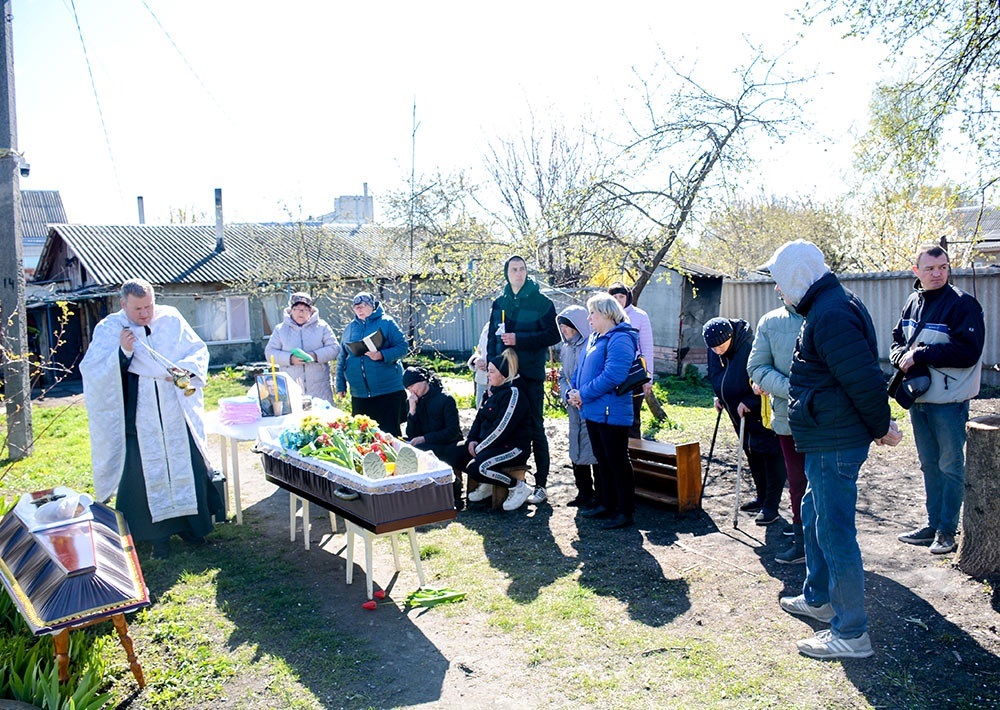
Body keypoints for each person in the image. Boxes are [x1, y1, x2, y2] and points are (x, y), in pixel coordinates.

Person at [763, 240, 901, 660]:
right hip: (827, 436)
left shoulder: (832, 313)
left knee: (835, 533)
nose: (777, 291)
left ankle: (851, 632)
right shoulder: (827, 305)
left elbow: (862, 377)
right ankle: (820, 599)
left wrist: (881, 426)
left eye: (779, 281)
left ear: (797, 277)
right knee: (812, 514)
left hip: (835, 440)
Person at [79, 279, 224, 559]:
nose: (145, 314)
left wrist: (186, 368)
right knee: (142, 475)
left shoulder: (171, 318)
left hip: (174, 409)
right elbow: (96, 373)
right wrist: (124, 352)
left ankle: (194, 529)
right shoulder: (110, 328)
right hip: (139, 415)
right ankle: (156, 537)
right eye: (137, 309)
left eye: (148, 306)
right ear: (123, 304)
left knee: (186, 466)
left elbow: (198, 350)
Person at [891, 243, 985, 555]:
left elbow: (969, 352)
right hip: (919, 398)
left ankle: (947, 530)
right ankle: (932, 525)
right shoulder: (913, 301)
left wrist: (920, 354)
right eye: (930, 268)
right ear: (916, 271)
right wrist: (899, 356)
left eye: (942, 267)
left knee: (949, 464)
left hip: (949, 401)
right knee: (928, 464)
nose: (937, 273)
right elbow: (896, 340)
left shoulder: (963, 304)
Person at [486, 255, 561, 506]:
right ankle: (506, 482)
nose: (518, 273)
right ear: (507, 273)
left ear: (527, 273)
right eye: (513, 269)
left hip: (530, 376)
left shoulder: (542, 301)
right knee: (504, 428)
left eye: (522, 269)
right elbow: (492, 340)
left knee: (534, 428)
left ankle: (541, 484)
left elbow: (552, 335)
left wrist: (520, 339)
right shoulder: (499, 303)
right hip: (505, 378)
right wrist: (491, 370)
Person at [703, 317, 787, 527]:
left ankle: (771, 506)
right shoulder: (714, 345)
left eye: (720, 347)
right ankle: (761, 497)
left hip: (760, 411)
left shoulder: (750, 346)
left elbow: (762, 374)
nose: (717, 351)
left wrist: (750, 400)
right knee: (752, 452)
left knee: (770, 454)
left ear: (730, 338)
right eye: (712, 348)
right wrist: (719, 395)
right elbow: (719, 375)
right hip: (736, 413)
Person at [567, 293, 637, 530]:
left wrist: (582, 395)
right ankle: (606, 503)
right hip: (594, 411)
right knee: (603, 460)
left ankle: (624, 510)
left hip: (612, 413)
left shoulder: (622, 338)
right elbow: (581, 369)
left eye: (592, 313)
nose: (588, 318)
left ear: (607, 313)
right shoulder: (595, 337)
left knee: (617, 462)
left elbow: (613, 375)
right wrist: (574, 392)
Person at [748, 298, 808, 564]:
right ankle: (802, 537)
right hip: (787, 417)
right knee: (796, 481)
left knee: (823, 482)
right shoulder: (770, 321)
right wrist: (793, 390)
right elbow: (758, 367)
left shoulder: (830, 312)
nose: (778, 288)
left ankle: (816, 534)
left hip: (829, 418)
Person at [459, 349, 534, 511]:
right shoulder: (491, 393)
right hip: (492, 446)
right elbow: (478, 419)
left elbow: (501, 430)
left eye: (492, 372)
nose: (488, 375)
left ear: (503, 375)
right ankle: (487, 483)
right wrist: (472, 440)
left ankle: (518, 487)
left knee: (478, 467)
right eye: (488, 371)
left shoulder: (513, 394)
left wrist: (479, 448)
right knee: (456, 453)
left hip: (513, 448)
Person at [334, 292, 408, 437]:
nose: (359, 310)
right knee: (364, 436)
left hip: (388, 391)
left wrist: (381, 355)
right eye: (356, 307)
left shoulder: (386, 322)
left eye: (363, 306)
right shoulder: (349, 329)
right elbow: (342, 357)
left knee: (389, 436)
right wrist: (340, 385)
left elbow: (403, 347)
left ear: (372, 306)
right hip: (359, 394)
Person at [402, 366, 465, 507]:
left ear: (423, 380)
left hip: (448, 445)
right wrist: (412, 411)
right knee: (411, 448)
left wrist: (425, 438)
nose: (411, 391)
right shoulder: (413, 401)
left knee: (421, 448)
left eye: (412, 386)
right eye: (408, 388)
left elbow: (452, 432)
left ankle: (454, 489)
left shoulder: (445, 399)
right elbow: (412, 435)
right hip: (426, 444)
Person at [557, 305, 599, 508]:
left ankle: (600, 494)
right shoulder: (565, 349)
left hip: (590, 404)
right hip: (572, 405)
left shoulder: (592, 345)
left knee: (593, 448)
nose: (564, 330)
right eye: (562, 326)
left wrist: (582, 395)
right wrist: (567, 394)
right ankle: (583, 492)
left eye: (568, 326)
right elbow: (563, 377)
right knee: (576, 446)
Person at [265, 292, 340, 403]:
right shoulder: (280, 329)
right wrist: (290, 359)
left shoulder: (322, 327)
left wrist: (314, 356)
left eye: (305, 309)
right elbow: (270, 353)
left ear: (310, 311)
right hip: (291, 385)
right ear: (291, 310)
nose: (301, 313)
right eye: (297, 309)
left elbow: (334, 348)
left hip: (319, 387)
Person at [608, 282, 654, 438]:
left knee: (633, 419)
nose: (618, 300)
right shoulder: (606, 316)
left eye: (621, 296)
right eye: (614, 297)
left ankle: (634, 458)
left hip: (634, 373)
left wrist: (648, 377)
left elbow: (647, 348)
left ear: (628, 297)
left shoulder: (640, 316)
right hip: (611, 373)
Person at [467, 322, 490, 408]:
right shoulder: (487, 326)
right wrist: (476, 360)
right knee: (480, 416)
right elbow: (479, 350)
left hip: (501, 382)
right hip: (482, 381)